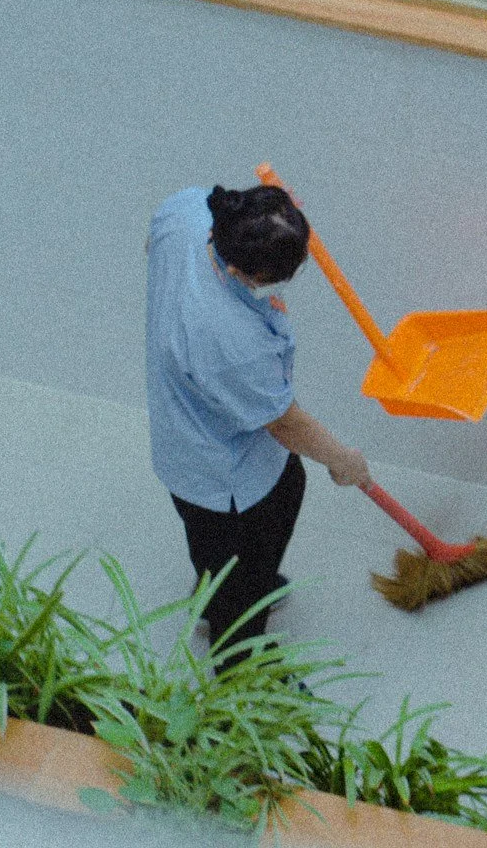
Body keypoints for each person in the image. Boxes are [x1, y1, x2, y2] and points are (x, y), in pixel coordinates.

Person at [145, 182, 369, 647]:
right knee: (241, 570)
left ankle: (218, 595)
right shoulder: (229, 340)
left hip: (183, 437)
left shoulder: (188, 212)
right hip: (219, 474)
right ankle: (237, 660)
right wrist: (342, 460)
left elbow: (152, 243)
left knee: (232, 536)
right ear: (235, 269)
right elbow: (284, 422)